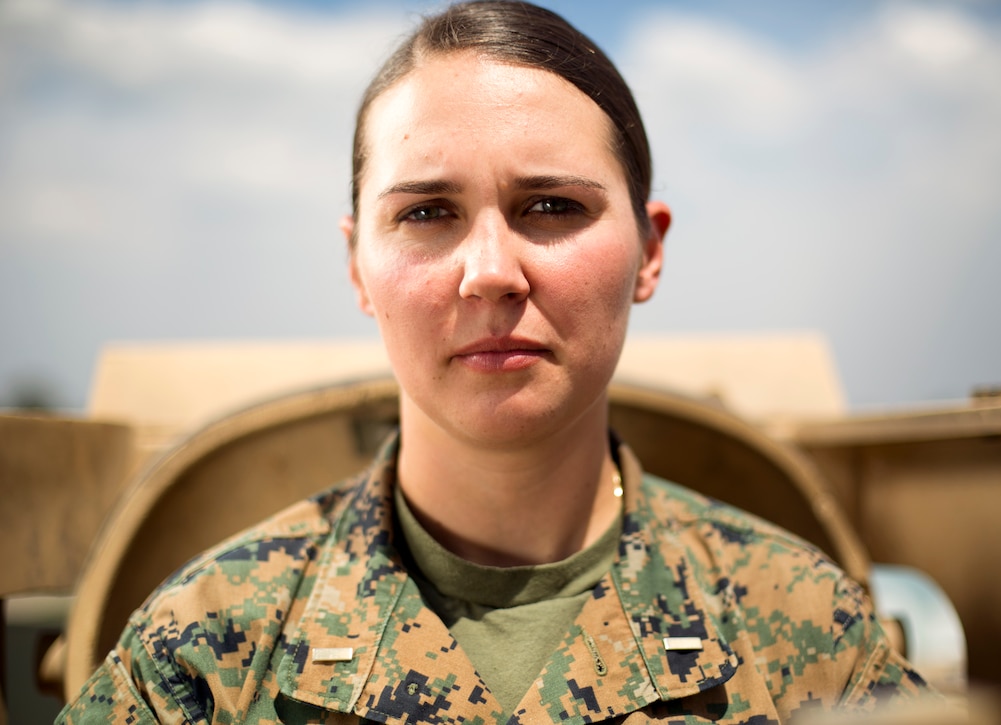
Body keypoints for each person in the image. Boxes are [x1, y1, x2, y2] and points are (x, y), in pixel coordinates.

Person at [58, 1, 936, 722]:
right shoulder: (204, 653)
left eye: (551, 204)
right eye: (427, 213)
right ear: (357, 264)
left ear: (650, 252)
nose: (489, 272)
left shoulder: (802, 632)